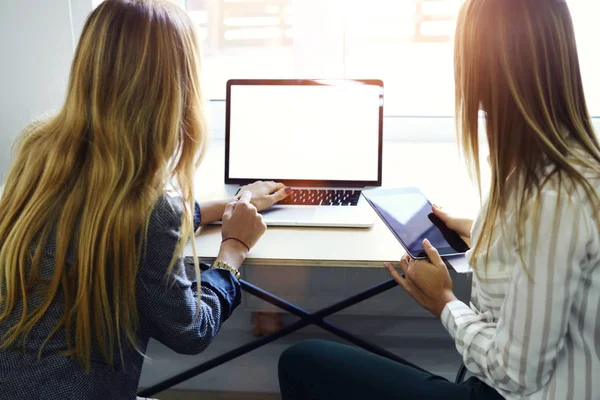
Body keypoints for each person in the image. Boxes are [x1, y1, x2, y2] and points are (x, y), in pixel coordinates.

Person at [279, 0, 600, 399]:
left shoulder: (552, 198)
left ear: (488, 71)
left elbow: (517, 374)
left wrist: (443, 302)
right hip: (502, 383)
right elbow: (541, 255)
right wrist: (481, 228)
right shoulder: (558, 167)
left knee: (302, 363)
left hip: (513, 393)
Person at [0, 1, 288, 399]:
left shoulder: (39, 150)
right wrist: (233, 250)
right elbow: (191, 332)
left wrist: (218, 209)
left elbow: (113, 219)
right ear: (177, 89)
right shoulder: (150, 209)